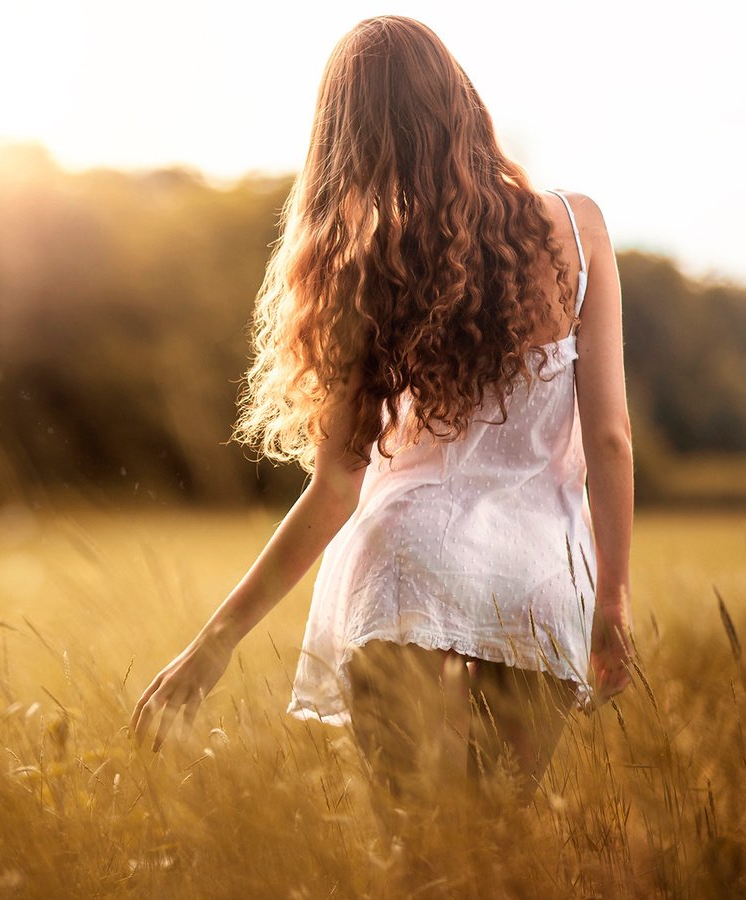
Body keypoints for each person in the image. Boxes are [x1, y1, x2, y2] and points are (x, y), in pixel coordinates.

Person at [129, 15, 635, 809]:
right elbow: (609, 438)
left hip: (404, 569)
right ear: (460, 101)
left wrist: (212, 645)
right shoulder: (579, 229)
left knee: (414, 858)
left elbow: (337, 485)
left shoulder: (368, 267)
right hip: (538, 583)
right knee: (492, 852)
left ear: (346, 140)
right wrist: (611, 599)